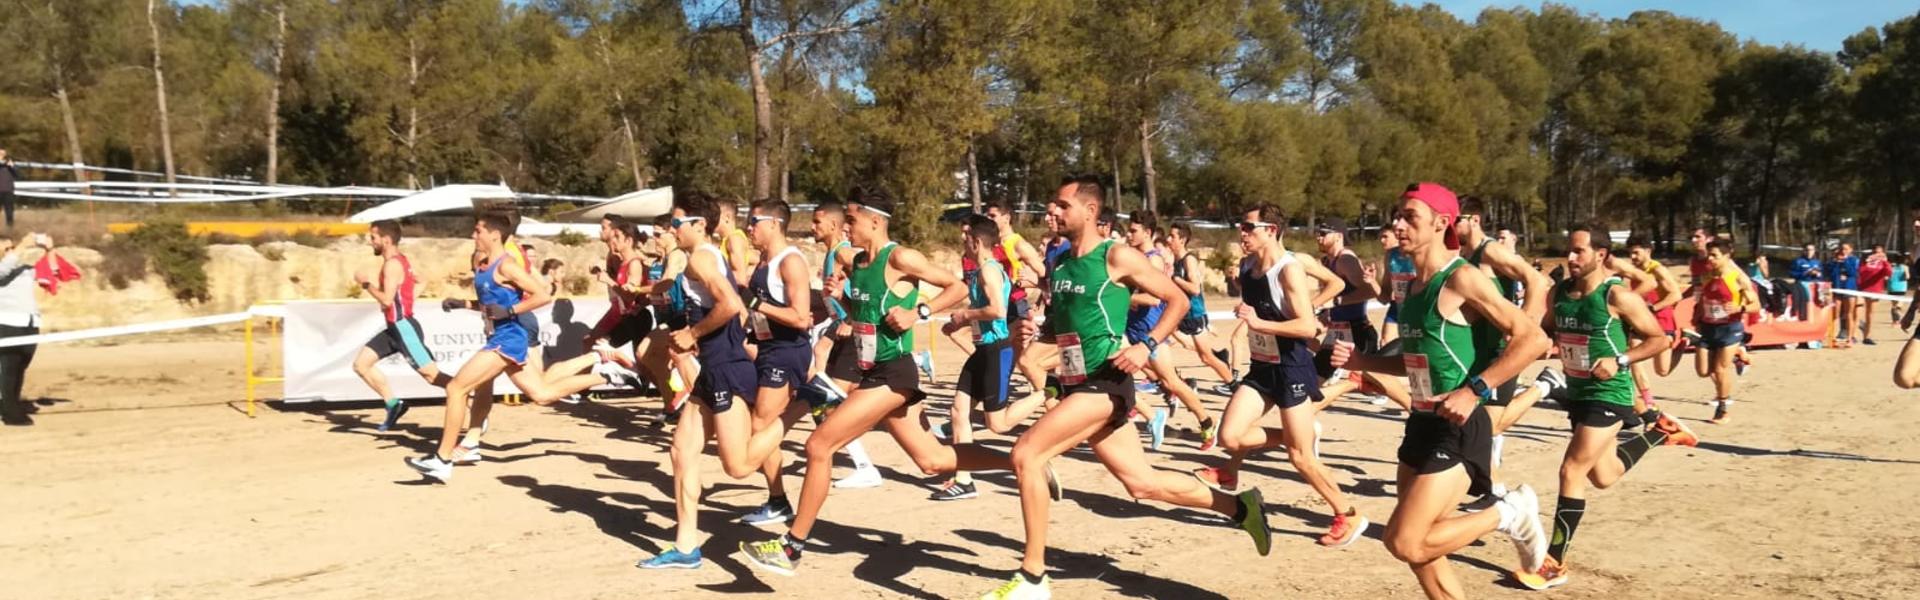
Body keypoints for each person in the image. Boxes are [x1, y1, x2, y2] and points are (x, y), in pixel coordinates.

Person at [967, 176, 1271, 600]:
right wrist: (1027, 343)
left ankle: (1033, 578)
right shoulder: (1062, 263)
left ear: (1090, 211)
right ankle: (1241, 507)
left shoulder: (1116, 256)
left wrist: (1146, 346)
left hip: (1106, 384)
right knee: (1142, 484)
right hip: (1077, 386)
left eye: (1061, 205)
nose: (1051, 212)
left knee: (1026, 454)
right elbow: (1056, 337)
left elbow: (1176, 300)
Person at [738, 188, 1048, 578]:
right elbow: (866, 315)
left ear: (875, 220)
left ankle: (791, 547)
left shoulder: (900, 257)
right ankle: (1021, 464)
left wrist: (919, 311)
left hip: (894, 373)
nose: (845, 227)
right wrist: (843, 302)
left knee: (819, 445)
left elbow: (957, 288)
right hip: (873, 370)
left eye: (851, 219)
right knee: (931, 460)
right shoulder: (856, 261)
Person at [1332, 182, 1550, 600]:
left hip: (1461, 425)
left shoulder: (1462, 277)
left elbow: (1533, 339)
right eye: (1398, 214)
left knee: (1405, 541)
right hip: (1421, 422)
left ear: (1441, 223)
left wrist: (1476, 389)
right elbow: (1415, 363)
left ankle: (1508, 512)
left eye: (1410, 216)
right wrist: (1364, 363)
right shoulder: (1412, 288)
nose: (1398, 223)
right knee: (1423, 554)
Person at [1515, 225, 1697, 590]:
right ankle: (1659, 433)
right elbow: (1548, 332)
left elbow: (1659, 339)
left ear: (1600, 255)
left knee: (1571, 471)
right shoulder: (1560, 294)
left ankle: (1554, 562)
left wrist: (1622, 359)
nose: (1570, 258)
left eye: (1578, 251)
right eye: (1569, 251)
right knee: (1603, 475)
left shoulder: (1617, 296)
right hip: (1578, 393)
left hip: (1609, 392)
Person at [1190, 203, 1371, 548]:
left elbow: (1305, 325)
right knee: (1229, 436)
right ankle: (1267, 451)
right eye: (1241, 226)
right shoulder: (1247, 266)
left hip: (1290, 367)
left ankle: (1348, 514)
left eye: (1248, 227)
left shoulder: (1289, 270)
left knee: (1300, 457)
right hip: (1262, 366)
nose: (1241, 233)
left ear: (1270, 230)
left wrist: (1259, 323)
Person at [404, 213, 623, 482]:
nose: (474, 236)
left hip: (508, 340)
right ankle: (608, 375)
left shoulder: (506, 265)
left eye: (478, 231)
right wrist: (464, 304)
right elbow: (491, 306)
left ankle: (442, 459)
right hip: (500, 337)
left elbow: (541, 294)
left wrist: (510, 310)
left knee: (456, 387)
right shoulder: (484, 264)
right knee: (540, 394)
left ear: (494, 235)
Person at [636, 195, 777, 569]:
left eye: (678, 223)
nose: (672, 229)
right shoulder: (698, 257)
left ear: (700, 225)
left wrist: (692, 333)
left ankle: (792, 411)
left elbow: (731, 305)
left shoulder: (701, 256)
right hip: (712, 370)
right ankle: (686, 548)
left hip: (727, 368)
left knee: (738, 467)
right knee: (681, 451)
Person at [930, 215, 1058, 501]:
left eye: (965, 237)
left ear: (976, 241)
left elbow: (998, 311)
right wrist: (960, 324)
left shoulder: (989, 270)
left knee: (997, 425)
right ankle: (964, 480)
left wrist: (965, 315)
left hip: (996, 351)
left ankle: (1052, 389)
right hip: (982, 350)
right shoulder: (979, 271)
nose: (962, 241)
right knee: (957, 411)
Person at [801, 199, 885, 490]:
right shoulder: (830, 255)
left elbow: (867, 282)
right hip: (838, 332)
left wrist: (850, 318)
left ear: (833, 225)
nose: (812, 227)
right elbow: (833, 296)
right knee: (824, 399)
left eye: (816, 222)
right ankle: (842, 452)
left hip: (855, 335)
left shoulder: (845, 254)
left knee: (831, 402)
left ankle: (863, 464)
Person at [1124, 211, 1215, 451]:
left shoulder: (1152, 260)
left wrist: (1128, 297)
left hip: (1151, 332)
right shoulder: (1135, 257)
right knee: (1124, 373)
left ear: (1147, 232)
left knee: (1172, 381)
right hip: (1133, 330)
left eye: (1133, 230)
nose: (1128, 234)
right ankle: (1144, 413)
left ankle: (1206, 422)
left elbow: (1154, 299)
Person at [350, 220, 453, 432]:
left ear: (386, 240)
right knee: (361, 365)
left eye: (374, 238)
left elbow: (387, 301)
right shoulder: (401, 261)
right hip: (395, 327)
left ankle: (470, 398)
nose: (371, 242)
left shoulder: (392, 265)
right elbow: (421, 281)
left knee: (432, 376)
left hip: (403, 327)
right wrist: (406, 302)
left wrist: (366, 284)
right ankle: (393, 404)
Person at [1315, 217, 1411, 410]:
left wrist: (1337, 301)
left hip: (1357, 330)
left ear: (1338, 236)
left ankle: (1412, 407)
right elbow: (1382, 295)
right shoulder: (1328, 260)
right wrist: (1327, 311)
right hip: (1339, 330)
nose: (1319, 237)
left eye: (1324, 233)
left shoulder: (1346, 260)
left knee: (1374, 374)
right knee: (1312, 379)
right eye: (1318, 233)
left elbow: (1367, 292)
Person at [985, 200, 1053, 409]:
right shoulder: (992, 242)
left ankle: (1052, 400)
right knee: (1011, 360)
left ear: (1006, 218)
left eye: (993, 216)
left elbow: (1043, 271)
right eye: (988, 216)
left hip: (1015, 306)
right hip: (998, 307)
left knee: (1020, 360)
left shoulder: (1017, 243)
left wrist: (1033, 280)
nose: (989, 219)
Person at [1694, 239, 1751, 424]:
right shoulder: (1706, 277)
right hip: (1709, 328)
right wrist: (1698, 317)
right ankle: (1738, 356)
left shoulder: (1737, 278)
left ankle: (1723, 410)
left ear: (1727, 257)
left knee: (1720, 370)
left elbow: (1755, 304)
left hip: (1730, 328)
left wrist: (1739, 308)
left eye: (1715, 256)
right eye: (1708, 254)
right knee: (1703, 371)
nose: (1710, 259)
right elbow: (1702, 300)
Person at [1625, 238, 1683, 411]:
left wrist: (1654, 307)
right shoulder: (1635, 271)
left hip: (1662, 321)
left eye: (1636, 252)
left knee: (1662, 371)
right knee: (1633, 356)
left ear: (1648, 251)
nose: (1632, 257)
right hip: (1642, 321)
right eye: (1630, 253)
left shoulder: (1658, 270)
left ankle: (1685, 343)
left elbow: (1676, 295)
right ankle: (1648, 400)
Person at [0, 232, 49, 425]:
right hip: (7, 324)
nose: (12, 252)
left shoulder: (23, 269)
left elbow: (51, 272)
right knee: (8, 369)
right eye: (7, 248)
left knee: (20, 368)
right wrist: (22, 245)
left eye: (12, 248)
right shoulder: (3, 268)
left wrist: (49, 249)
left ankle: (11, 404)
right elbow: (2, 271)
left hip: (29, 324)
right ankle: (10, 412)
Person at [1381, 227, 1416, 343]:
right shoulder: (1390, 255)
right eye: (1380, 237)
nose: (1382, 241)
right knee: (1386, 344)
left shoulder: (1418, 254)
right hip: (1398, 308)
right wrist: (1370, 282)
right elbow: (1384, 297)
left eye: (1385, 237)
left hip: (1416, 311)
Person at [1827, 243, 1862, 347]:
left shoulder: (1854, 260)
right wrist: (1836, 262)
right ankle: (1830, 337)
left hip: (1850, 289)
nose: (1843, 251)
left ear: (1851, 250)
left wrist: (1845, 261)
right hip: (1837, 289)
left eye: (1846, 249)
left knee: (1849, 314)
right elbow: (1831, 274)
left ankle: (1850, 338)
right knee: (1835, 314)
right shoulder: (1835, 260)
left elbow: (1853, 273)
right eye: (1842, 249)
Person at [1859, 245, 1891, 345]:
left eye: (1879, 252)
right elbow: (1860, 271)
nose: (1877, 254)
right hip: (1861, 288)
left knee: (1870, 313)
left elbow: (1889, 273)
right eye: (1875, 252)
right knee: (1857, 310)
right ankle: (1856, 330)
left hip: (1875, 289)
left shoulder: (1883, 263)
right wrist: (1866, 261)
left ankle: (1867, 336)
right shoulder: (1866, 261)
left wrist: (1885, 261)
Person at [1789, 244, 1823, 321]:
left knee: (1821, 300)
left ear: (1814, 251)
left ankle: (1818, 320)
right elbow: (1792, 274)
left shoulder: (1817, 262)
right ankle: (1803, 317)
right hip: (1803, 284)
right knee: (1806, 300)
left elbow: (1822, 275)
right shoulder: (1798, 261)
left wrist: (1817, 274)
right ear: (1804, 251)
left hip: (1815, 285)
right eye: (1807, 250)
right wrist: (1805, 273)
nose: (1809, 252)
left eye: (1811, 250)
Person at [1890, 252, 1909, 326]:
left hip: (1892, 287)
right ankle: (1898, 319)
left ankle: (1895, 321)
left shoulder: (1892, 266)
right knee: (1899, 305)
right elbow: (1907, 277)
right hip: (1901, 287)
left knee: (1894, 305)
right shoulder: (1905, 267)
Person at [0, 149, 17, 230]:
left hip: (8, 190)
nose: (1, 155)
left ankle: (9, 228)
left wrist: (12, 166)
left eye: (3, 153)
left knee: (9, 211)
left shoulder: (10, 164)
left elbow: (17, 174)